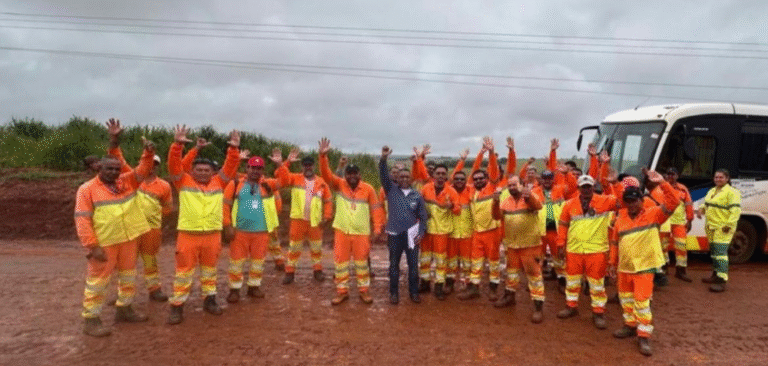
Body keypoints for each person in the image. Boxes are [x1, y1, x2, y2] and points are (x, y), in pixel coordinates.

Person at [74, 133, 155, 337]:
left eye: (117, 169)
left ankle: (124, 309)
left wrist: (149, 152)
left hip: (129, 239)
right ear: (98, 168)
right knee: (98, 282)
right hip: (105, 243)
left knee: (128, 277)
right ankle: (91, 320)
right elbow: (82, 220)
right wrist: (92, 246)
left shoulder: (128, 181)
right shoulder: (87, 190)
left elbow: (144, 169)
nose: (113, 172)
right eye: (108, 168)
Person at [166, 125, 240, 325]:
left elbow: (230, 167)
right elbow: (173, 165)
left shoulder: (219, 183)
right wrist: (178, 145)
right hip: (188, 236)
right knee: (184, 273)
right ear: (192, 171)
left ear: (213, 172)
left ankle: (210, 300)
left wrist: (233, 149)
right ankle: (177, 307)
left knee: (210, 271)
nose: (202, 173)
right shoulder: (184, 182)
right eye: (198, 170)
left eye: (206, 170)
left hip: (212, 235)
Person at [608, 170, 680, 356]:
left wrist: (663, 183)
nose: (631, 204)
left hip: (644, 268)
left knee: (642, 303)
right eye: (628, 201)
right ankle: (630, 326)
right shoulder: (620, 219)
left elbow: (674, 203)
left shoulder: (653, 214)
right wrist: (611, 263)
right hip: (624, 267)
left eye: (635, 201)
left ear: (641, 200)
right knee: (626, 301)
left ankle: (643, 336)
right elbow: (615, 243)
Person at [105, 119, 173, 302]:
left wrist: (154, 218)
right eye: (150, 163)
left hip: (151, 229)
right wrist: (114, 141)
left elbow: (168, 208)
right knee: (126, 263)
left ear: (158, 166)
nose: (151, 167)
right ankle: (122, 293)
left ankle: (155, 289)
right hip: (131, 228)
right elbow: (116, 159)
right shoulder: (131, 177)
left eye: (155, 164)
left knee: (150, 260)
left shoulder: (164, 186)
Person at [319, 137, 384, 305]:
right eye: (349, 174)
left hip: (362, 233)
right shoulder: (339, 185)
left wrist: (377, 229)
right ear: (346, 175)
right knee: (340, 264)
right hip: (342, 232)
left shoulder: (368, 189)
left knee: (362, 265)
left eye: (355, 173)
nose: (352, 176)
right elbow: (326, 175)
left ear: (359, 175)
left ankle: (364, 291)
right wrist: (323, 157)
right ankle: (342, 292)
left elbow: (376, 209)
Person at [556, 175, 617, 330]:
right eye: (583, 186)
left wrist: (614, 183)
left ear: (593, 186)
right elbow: (563, 224)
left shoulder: (604, 201)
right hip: (574, 249)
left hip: (596, 250)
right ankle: (571, 306)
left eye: (589, 186)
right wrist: (560, 244)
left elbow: (621, 201)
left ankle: (598, 312)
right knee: (572, 281)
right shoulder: (569, 204)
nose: (587, 189)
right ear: (579, 188)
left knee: (596, 285)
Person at [223, 156, 281, 303]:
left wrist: (280, 164)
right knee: (236, 262)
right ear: (247, 168)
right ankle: (234, 289)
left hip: (261, 232)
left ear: (263, 170)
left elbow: (285, 181)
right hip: (239, 231)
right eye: (252, 167)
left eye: (259, 168)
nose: (255, 171)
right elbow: (225, 206)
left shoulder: (268, 185)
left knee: (258, 262)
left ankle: (254, 287)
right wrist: (227, 225)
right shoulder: (235, 184)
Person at [273, 148, 333, 285]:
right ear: (302, 167)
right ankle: (289, 272)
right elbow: (279, 175)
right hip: (298, 220)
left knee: (316, 248)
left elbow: (328, 201)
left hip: (315, 222)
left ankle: (317, 271)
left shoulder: (322, 182)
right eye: (305, 165)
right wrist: (283, 163)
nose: (308, 167)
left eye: (310, 165)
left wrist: (327, 217)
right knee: (294, 248)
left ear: (314, 166)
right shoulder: (294, 178)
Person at [492, 176, 546, 323]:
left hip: (530, 246)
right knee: (511, 274)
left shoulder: (530, 196)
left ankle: (538, 308)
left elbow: (538, 206)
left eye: (514, 185)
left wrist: (528, 197)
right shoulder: (505, 202)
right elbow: (496, 216)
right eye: (509, 185)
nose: (511, 187)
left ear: (521, 185)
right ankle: (509, 298)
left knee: (534, 276)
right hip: (512, 245)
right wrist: (495, 202)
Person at [380, 145, 428, 304]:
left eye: (408, 177)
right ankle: (394, 294)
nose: (405, 179)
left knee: (413, 266)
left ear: (411, 178)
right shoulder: (391, 190)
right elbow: (383, 175)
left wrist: (421, 233)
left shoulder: (417, 195)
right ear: (397, 179)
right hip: (394, 235)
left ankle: (414, 292)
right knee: (394, 265)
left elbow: (423, 216)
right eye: (402, 177)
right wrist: (383, 158)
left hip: (412, 236)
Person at [458, 137, 502, 301]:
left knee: (494, 263)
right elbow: (473, 170)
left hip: (492, 232)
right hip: (477, 233)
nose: (477, 180)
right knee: (475, 262)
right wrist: (480, 153)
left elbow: (494, 172)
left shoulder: (491, 187)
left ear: (486, 179)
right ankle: (474, 288)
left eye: (480, 178)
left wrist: (490, 153)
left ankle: (493, 289)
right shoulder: (470, 191)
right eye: (475, 179)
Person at [419, 163, 460, 300]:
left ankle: (438, 286)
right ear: (433, 175)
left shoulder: (451, 191)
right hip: (426, 230)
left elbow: (458, 210)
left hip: (442, 231)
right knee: (424, 258)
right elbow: (417, 204)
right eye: (438, 173)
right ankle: (424, 283)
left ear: (447, 176)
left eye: (443, 174)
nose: (441, 176)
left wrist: (452, 206)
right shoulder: (425, 188)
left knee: (441, 261)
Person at [697, 169, 741, 292]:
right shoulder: (712, 190)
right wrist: (701, 209)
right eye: (716, 177)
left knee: (721, 254)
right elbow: (707, 203)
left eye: (721, 177)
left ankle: (722, 280)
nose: (718, 179)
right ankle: (715, 275)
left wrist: (729, 225)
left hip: (723, 228)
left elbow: (735, 211)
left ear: (727, 179)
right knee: (715, 252)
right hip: (711, 227)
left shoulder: (732, 192)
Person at [664, 168, 694, 282]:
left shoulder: (683, 189)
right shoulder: (661, 188)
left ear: (677, 176)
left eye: (673, 174)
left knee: (681, 247)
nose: (671, 176)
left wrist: (690, 220)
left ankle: (681, 271)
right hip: (664, 222)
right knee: (662, 246)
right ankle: (663, 268)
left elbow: (688, 205)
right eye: (669, 174)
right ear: (666, 175)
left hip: (679, 222)